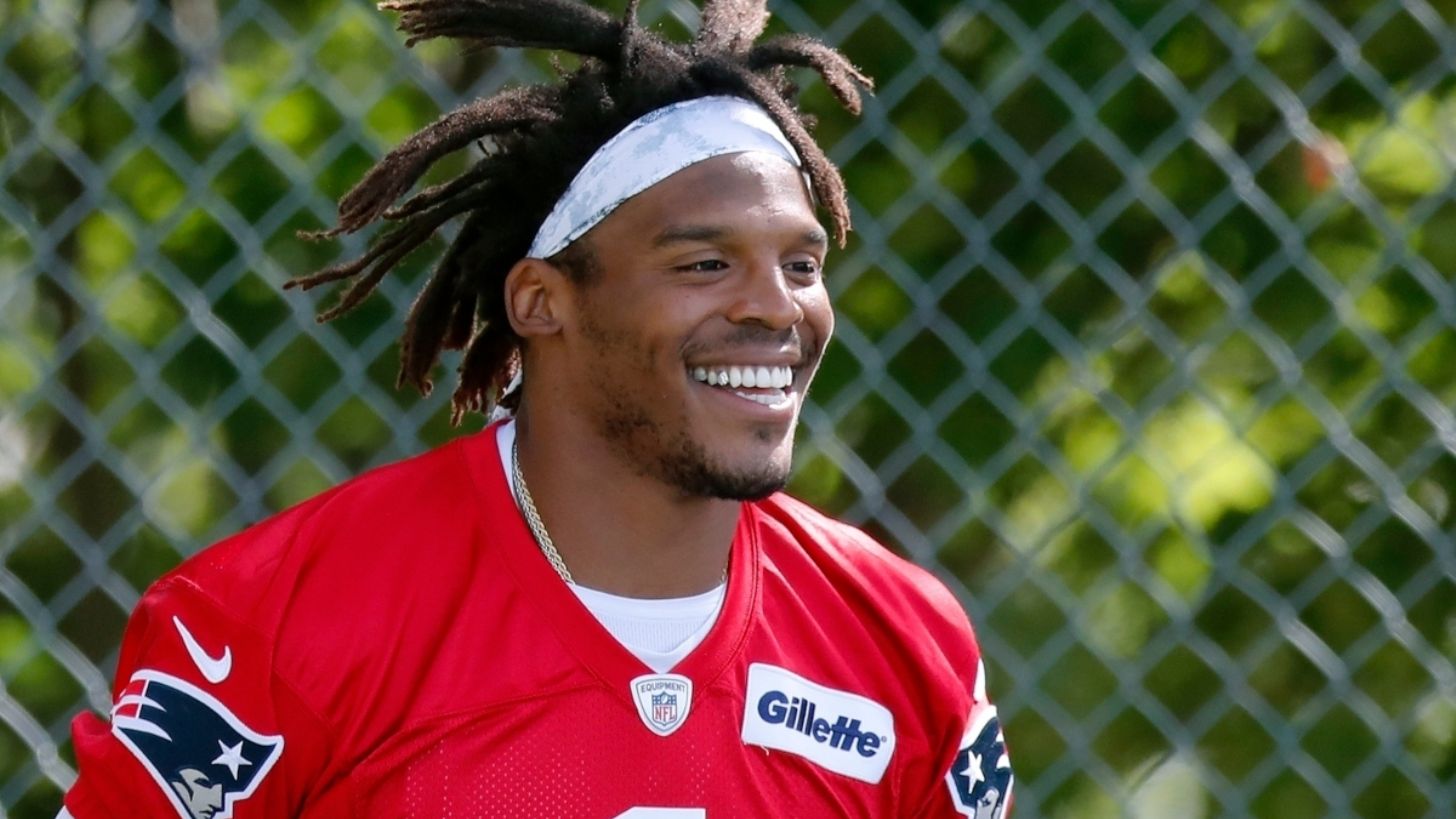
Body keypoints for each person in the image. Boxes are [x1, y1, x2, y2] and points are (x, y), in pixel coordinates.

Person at [59, 1, 1012, 816]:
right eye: (704, 263)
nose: (776, 306)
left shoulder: (904, 643)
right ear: (541, 301)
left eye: (801, 265)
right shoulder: (272, 626)